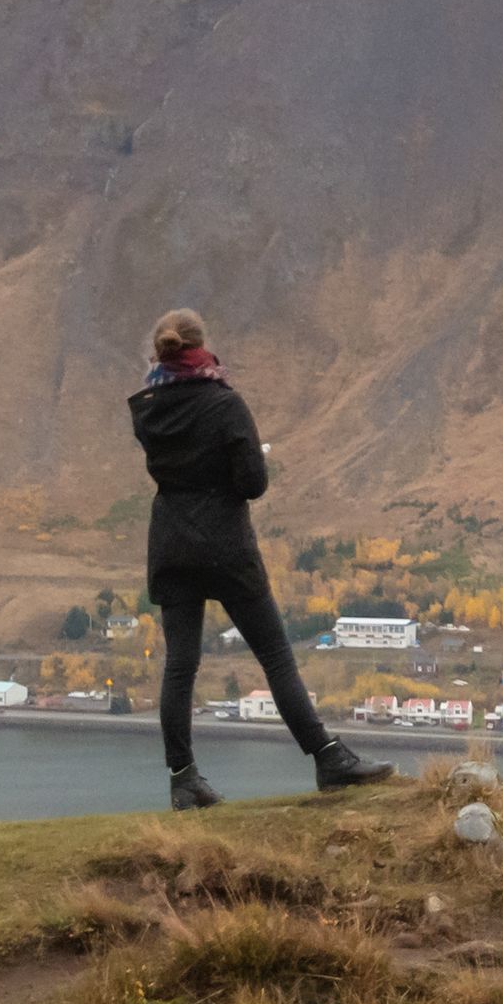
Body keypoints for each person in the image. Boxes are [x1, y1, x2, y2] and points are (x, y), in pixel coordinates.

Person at [127, 307, 393, 807]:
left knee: (180, 666)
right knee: (274, 655)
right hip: (226, 547)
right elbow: (253, 483)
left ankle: (184, 780)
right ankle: (327, 758)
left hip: (170, 545)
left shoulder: (148, 408)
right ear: (202, 346)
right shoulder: (224, 405)